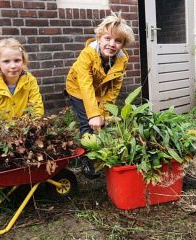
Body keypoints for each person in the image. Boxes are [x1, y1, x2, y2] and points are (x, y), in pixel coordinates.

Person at [65, 12, 135, 178]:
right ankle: (87, 161)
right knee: (86, 123)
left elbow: (113, 89)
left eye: (118, 41)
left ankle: (100, 154)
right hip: (78, 89)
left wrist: (103, 113)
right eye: (107, 38)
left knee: (102, 122)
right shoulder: (87, 54)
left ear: (123, 44)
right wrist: (94, 115)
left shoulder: (122, 60)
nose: (112, 44)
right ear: (99, 38)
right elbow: (85, 84)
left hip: (98, 91)